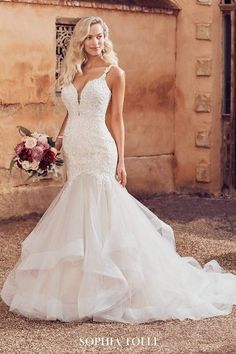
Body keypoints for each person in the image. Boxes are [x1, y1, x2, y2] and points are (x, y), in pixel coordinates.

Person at [1, 16, 236, 324]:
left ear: (105, 39)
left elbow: (117, 120)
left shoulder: (114, 73)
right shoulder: (72, 71)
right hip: (76, 148)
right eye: (89, 37)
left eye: (100, 36)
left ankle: (115, 285)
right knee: (77, 209)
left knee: (103, 207)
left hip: (100, 148)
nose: (96, 42)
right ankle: (79, 286)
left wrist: (122, 160)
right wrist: (51, 146)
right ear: (80, 42)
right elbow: (70, 115)